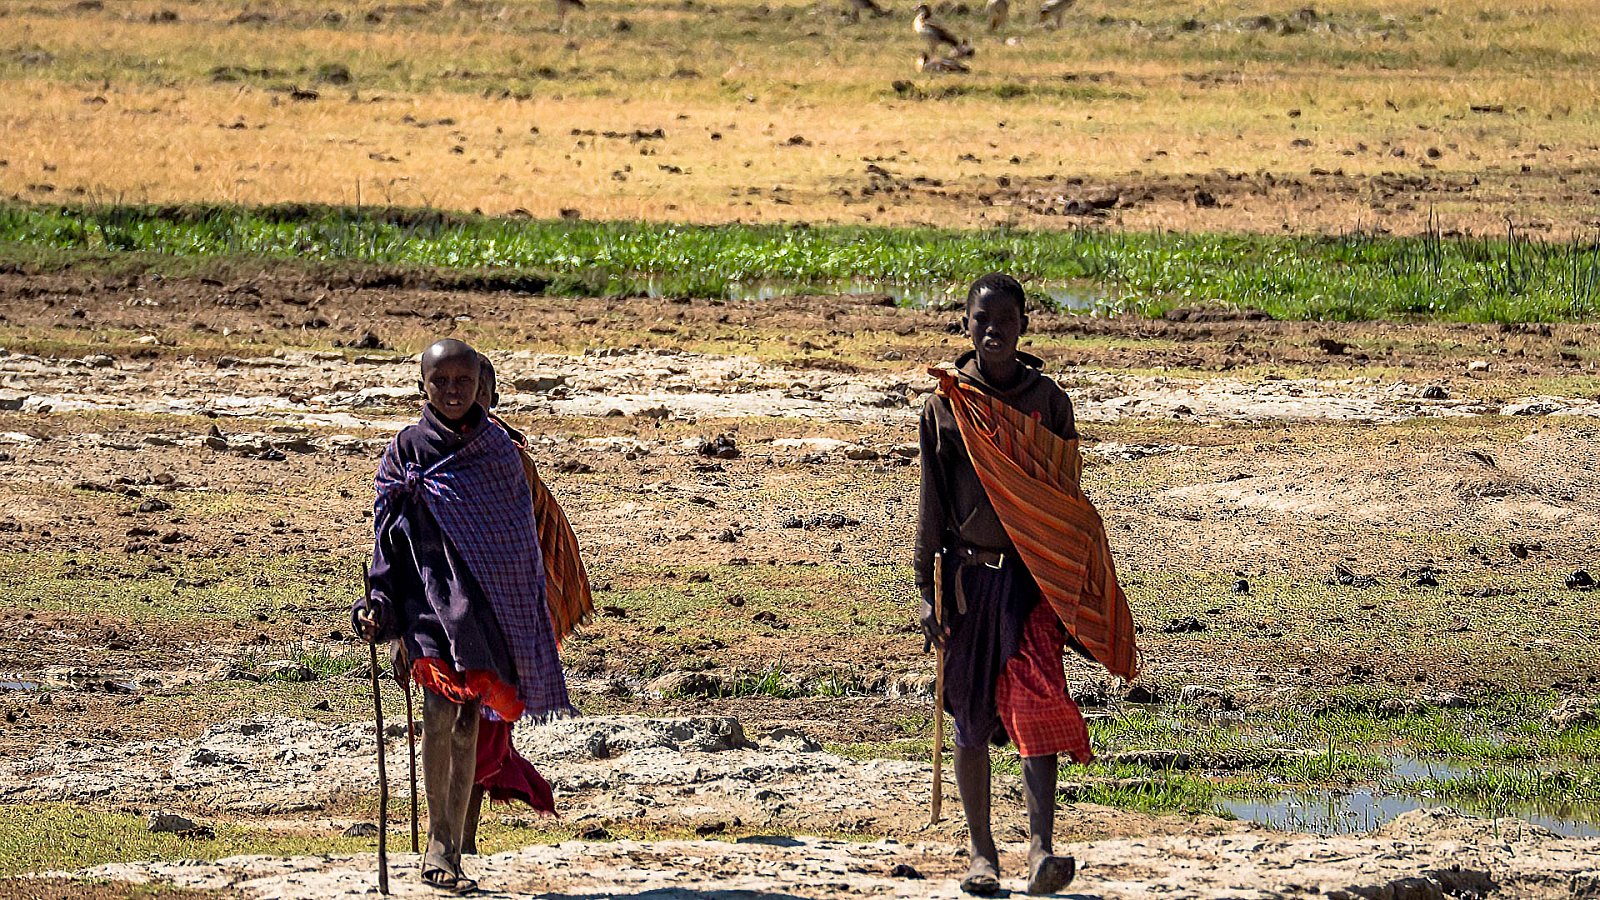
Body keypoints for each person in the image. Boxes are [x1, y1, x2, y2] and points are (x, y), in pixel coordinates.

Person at [915, 273, 1138, 896]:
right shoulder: (946, 406)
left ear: (1024, 327)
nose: (994, 331)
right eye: (982, 320)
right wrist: (926, 590)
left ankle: (1041, 849)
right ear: (966, 325)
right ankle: (982, 855)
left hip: (1031, 581)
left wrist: (1070, 582)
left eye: (1006, 321)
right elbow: (931, 503)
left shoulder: (1049, 402)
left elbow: (1063, 503)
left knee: (1037, 703)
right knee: (969, 717)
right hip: (967, 580)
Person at [355, 338, 573, 892]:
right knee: (437, 713)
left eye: (464, 382)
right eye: (441, 381)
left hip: (485, 610)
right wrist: (379, 604)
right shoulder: (406, 452)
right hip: (426, 604)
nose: (453, 391)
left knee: (468, 721)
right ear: (422, 386)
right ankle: (440, 845)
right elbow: (388, 538)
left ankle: (453, 842)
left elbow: (519, 546)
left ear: (481, 387)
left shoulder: (500, 454)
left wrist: (524, 614)